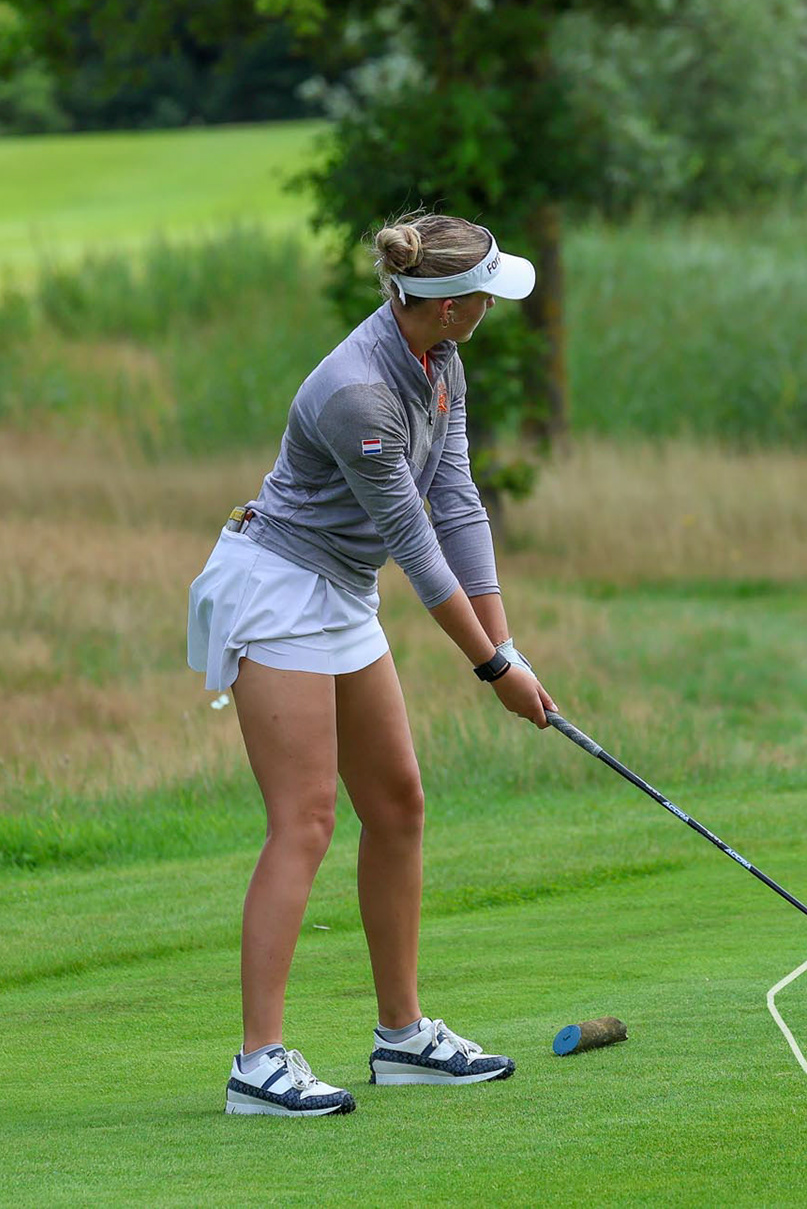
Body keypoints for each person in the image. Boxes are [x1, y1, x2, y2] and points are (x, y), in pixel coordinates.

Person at [187, 212, 556, 1117]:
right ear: (445, 303)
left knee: (396, 804)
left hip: (340, 593)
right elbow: (415, 546)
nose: (492, 307)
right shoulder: (356, 391)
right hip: (275, 589)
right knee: (306, 820)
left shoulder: (442, 360)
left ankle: (403, 1038)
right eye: (485, 295)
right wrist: (489, 670)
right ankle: (257, 1065)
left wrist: (506, 647)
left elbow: (458, 500)